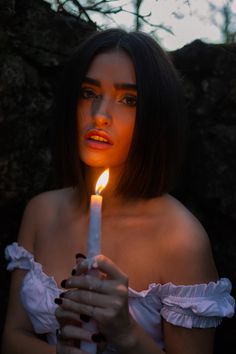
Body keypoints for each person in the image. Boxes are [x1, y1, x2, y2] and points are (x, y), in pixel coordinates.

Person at [1, 28, 235, 354]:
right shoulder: (42, 212)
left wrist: (127, 335)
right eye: (88, 92)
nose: (100, 116)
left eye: (128, 99)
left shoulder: (180, 239)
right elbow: (12, 337)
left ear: (156, 116)